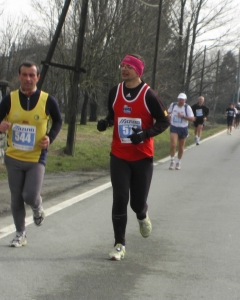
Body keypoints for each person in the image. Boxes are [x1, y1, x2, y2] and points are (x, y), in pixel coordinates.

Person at [96, 54, 169, 261]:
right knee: (119, 197)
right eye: (123, 65)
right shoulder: (115, 92)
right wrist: (106, 123)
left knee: (136, 203)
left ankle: (142, 214)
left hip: (142, 156)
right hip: (119, 154)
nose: (124, 69)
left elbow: (164, 122)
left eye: (129, 66)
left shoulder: (149, 95)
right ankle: (119, 244)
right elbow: (114, 115)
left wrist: (144, 134)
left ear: (138, 71)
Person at [0, 61, 62, 247]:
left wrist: (50, 137)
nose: (28, 78)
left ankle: (37, 207)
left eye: (32, 75)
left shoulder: (47, 100)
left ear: (38, 77)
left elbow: (58, 122)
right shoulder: (10, 98)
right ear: (19, 77)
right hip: (13, 156)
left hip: (36, 157)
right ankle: (20, 234)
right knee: (16, 197)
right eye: (24, 75)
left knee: (30, 195)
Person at [167, 93, 195, 170]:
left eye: (182, 100)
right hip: (174, 127)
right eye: (180, 99)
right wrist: (166, 115)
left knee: (181, 147)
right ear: (177, 99)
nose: (181, 101)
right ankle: (172, 160)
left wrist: (182, 116)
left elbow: (192, 119)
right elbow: (167, 112)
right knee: (173, 145)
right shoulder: (173, 105)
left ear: (185, 100)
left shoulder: (187, 107)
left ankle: (178, 162)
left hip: (183, 128)